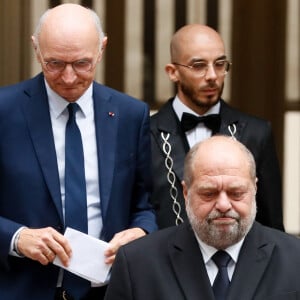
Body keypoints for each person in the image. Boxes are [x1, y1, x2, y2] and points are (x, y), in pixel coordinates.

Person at [0, 3, 157, 300]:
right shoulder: (4, 112)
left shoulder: (130, 114)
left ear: (101, 49)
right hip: (23, 288)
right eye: (55, 63)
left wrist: (141, 233)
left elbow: (144, 205)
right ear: (36, 49)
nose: (69, 78)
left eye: (82, 63)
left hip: (109, 291)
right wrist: (17, 238)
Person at [104, 136, 300, 300]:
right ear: (186, 192)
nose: (223, 205)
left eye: (236, 192)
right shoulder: (137, 264)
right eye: (209, 193)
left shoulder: (295, 258)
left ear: (255, 188)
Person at [150, 24, 284, 231]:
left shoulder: (256, 133)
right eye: (199, 65)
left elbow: (271, 225)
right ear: (173, 72)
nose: (212, 75)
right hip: (163, 260)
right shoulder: (145, 133)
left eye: (220, 64)